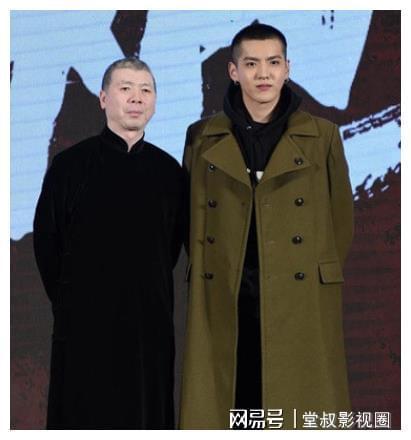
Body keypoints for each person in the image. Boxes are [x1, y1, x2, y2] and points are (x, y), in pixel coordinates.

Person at [179, 23, 354, 429]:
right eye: (252, 64)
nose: (263, 74)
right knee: (229, 400)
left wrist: (310, 270)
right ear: (233, 71)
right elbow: (191, 219)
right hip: (227, 290)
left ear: (287, 69)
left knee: (297, 405)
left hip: (298, 294)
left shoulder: (322, 136)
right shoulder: (202, 137)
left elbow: (340, 221)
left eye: (273, 63)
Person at [33, 57, 185, 429]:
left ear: (155, 102)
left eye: (146, 90)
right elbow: (47, 244)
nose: (137, 98)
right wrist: (74, 301)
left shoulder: (171, 173)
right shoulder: (69, 166)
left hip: (148, 327)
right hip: (84, 325)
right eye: (125, 88)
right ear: (103, 99)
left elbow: (171, 249)